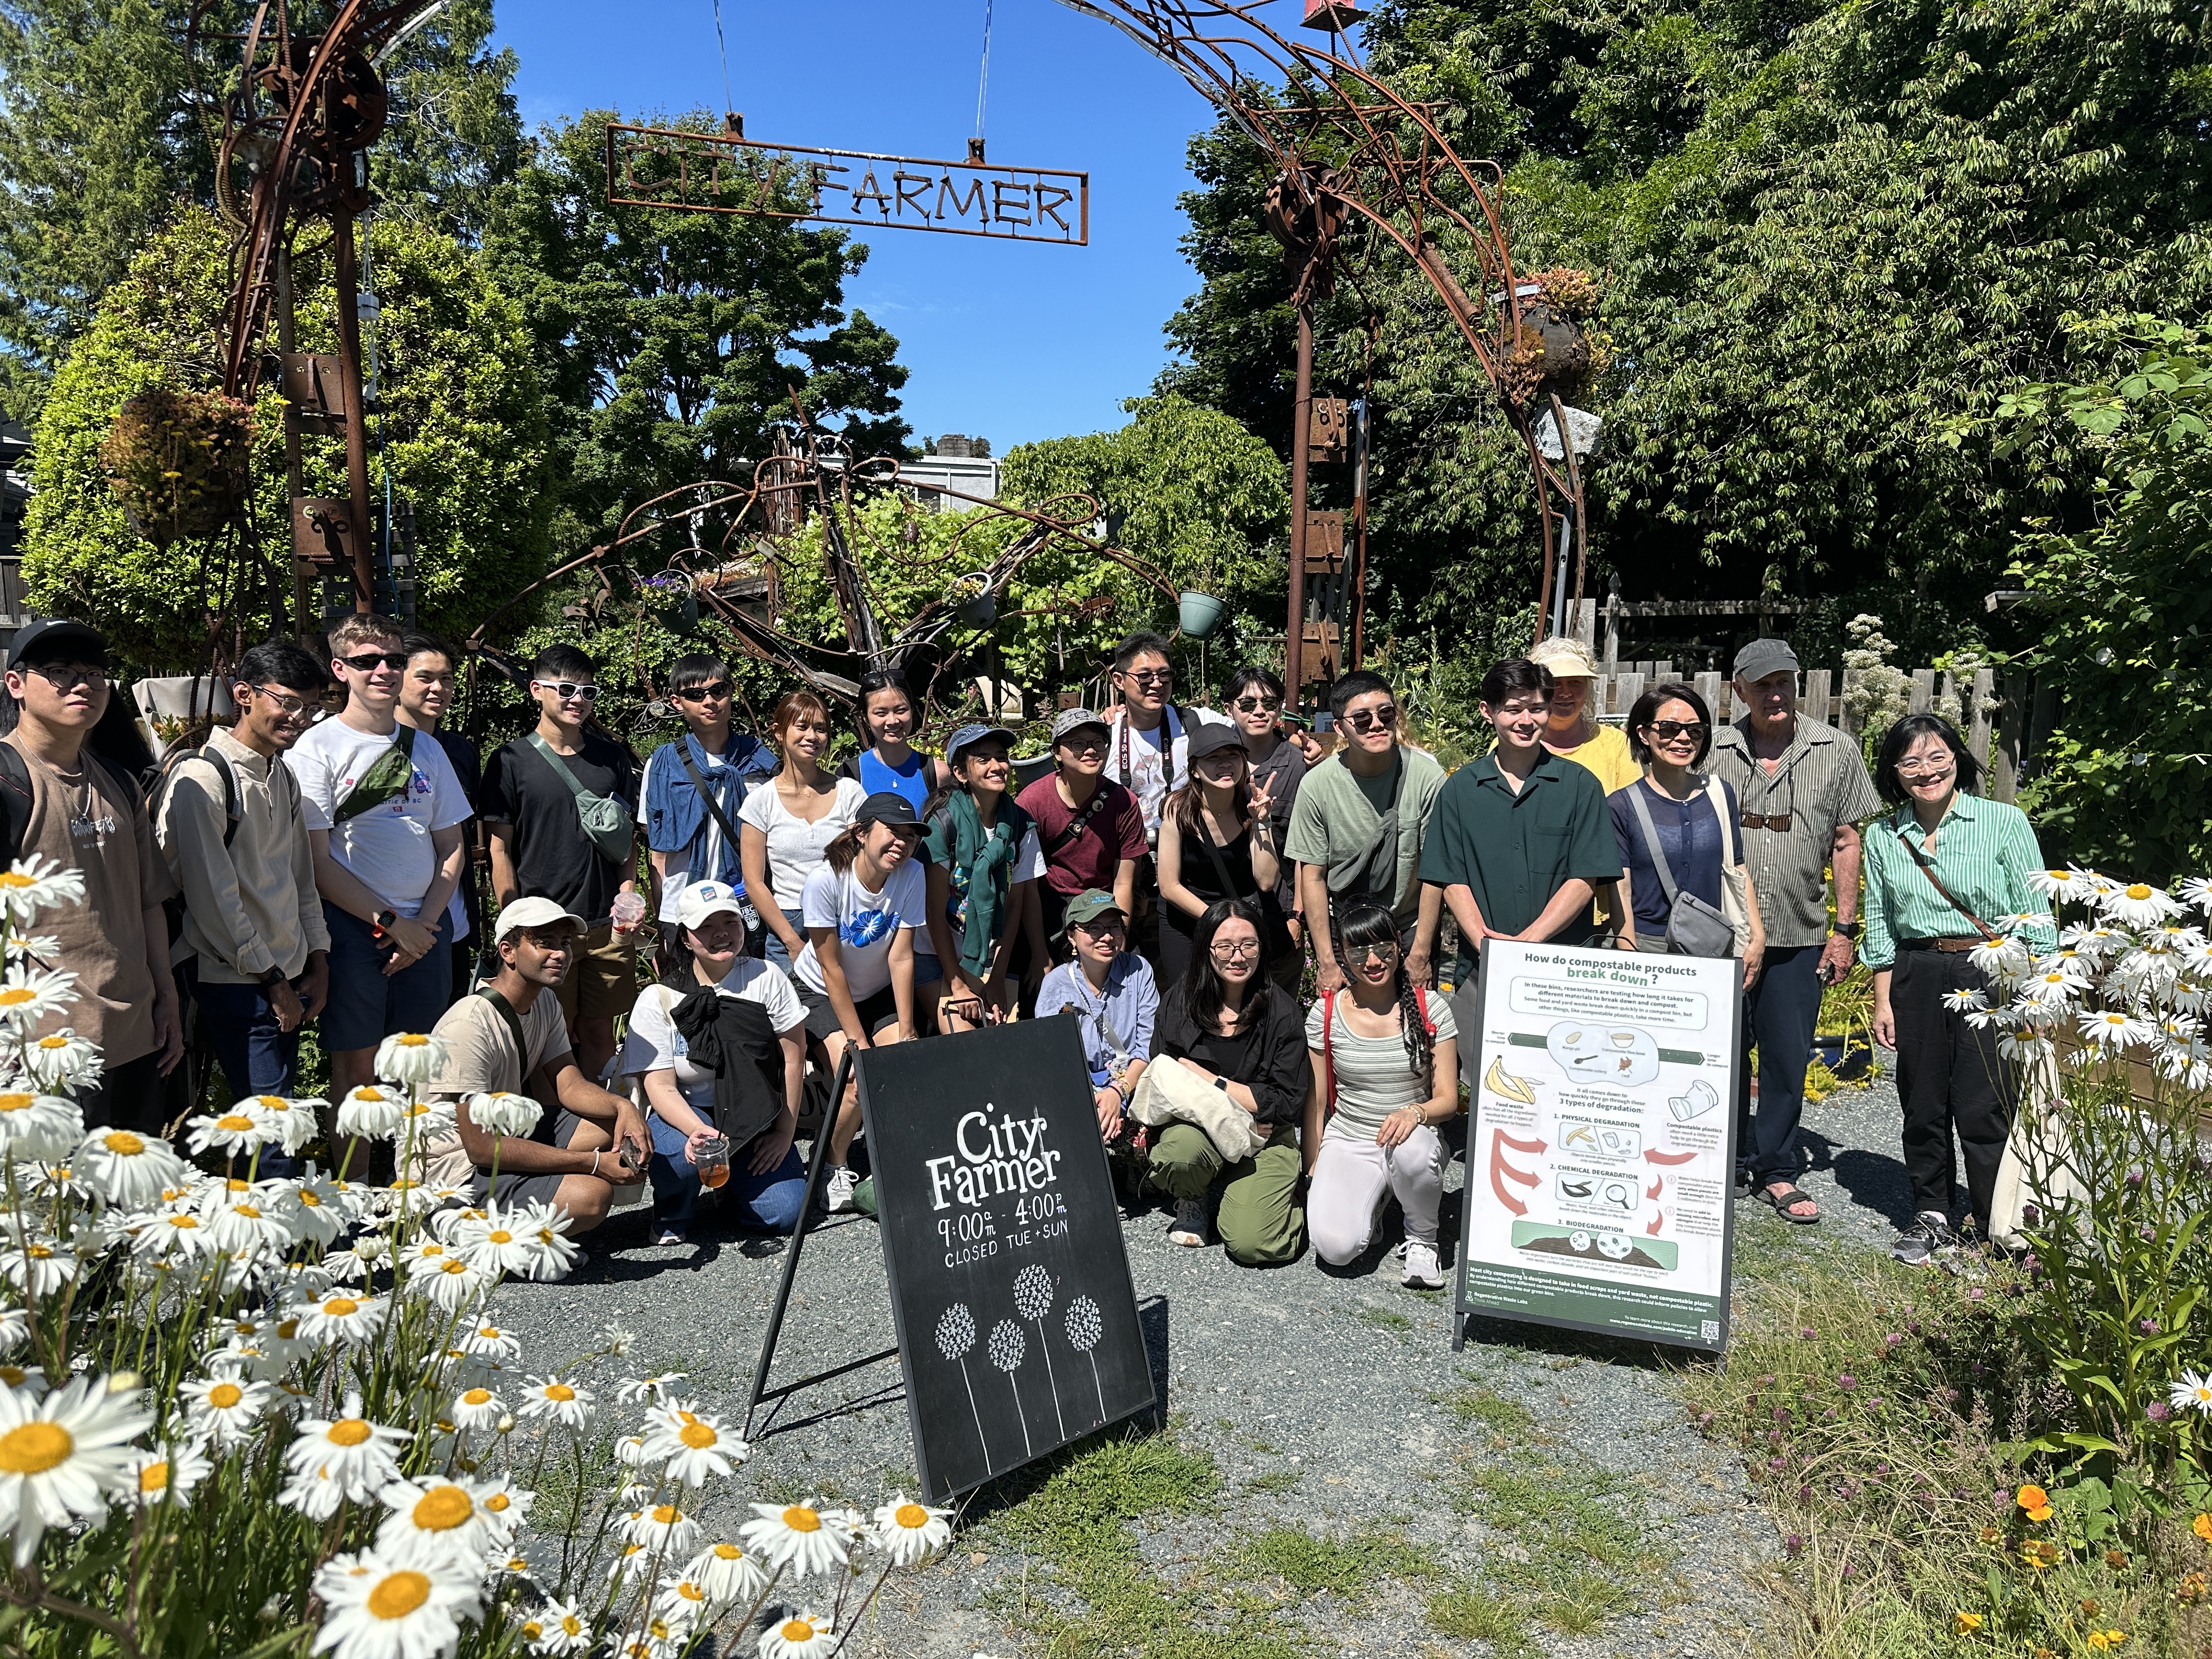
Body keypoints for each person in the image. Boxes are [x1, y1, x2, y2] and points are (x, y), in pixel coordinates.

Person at [1701, 637, 1882, 1224]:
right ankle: (1722, 1158)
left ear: (1797, 684)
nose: (1774, 693)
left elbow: (1846, 840)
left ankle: (1775, 1167)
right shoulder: (1714, 751)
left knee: (1785, 1056)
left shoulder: (1836, 750)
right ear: (1740, 690)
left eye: (1783, 681)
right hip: (1724, 934)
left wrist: (1845, 930)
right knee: (1721, 1052)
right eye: (1761, 684)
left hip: (1800, 929)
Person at [1863, 714, 2052, 1265]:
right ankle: (1933, 1213)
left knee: (1984, 1103)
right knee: (1921, 1102)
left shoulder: (2003, 822)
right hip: (1917, 970)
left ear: (1957, 760)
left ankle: (1999, 1220)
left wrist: (2035, 993)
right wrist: (1882, 996)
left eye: (1938, 757)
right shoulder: (1883, 833)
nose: (1927, 771)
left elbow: (2035, 914)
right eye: (1912, 762)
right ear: (1895, 773)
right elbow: (1879, 920)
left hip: (1990, 968)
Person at [0, 619, 183, 1130]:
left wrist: (166, 998)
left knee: (136, 1195)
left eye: (95, 673)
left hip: (137, 1033)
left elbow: (149, 901)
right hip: (44, 1046)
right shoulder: (8, 783)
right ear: (16, 684)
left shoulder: (122, 783)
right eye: (58, 672)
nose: (82, 684)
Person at [285, 612, 470, 1104]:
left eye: (393, 659)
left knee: (421, 1074)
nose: (384, 671)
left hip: (426, 933)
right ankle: (356, 1182)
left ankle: (415, 1181)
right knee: (359, 1075)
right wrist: (392, 924)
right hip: (353, 932)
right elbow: (315, 860)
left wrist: (424, 926)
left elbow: (452, 845)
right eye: (368, 661)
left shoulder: (427, 750)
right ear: (340, 669)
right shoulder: (315, 748)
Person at [154, 638, 330, 1120]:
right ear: (244, 694)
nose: (300, 717)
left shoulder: (282, 774)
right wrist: (272, 980)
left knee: (275, 1122)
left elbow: (301, 879)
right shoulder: (204, 778)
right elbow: (214, 899)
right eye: (288, 702)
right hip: (231, 976)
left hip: (285, 974)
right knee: (269, 1131)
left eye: (310, 707)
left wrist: (318, 958)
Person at [422, 897, 650, 1233]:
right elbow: (481, 1148)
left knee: (610, 1123)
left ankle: (524, 1216)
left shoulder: (544, 1001)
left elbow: (569, 1084)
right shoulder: (468, 1025)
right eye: (545, 943)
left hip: (507, 1130)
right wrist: (593, 1164)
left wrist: (624, 1107)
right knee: (592, 1196)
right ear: (507, 951)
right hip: (454, 1172)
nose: (560, 953)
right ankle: (464, 1239)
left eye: (565, 942)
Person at [481, 645, 642, 1085]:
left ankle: (598, 1128)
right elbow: (499, 850)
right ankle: (552, 1136)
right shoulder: (509, 761)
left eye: (588, 692)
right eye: (566, 689)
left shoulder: (611, 758)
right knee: (548, 1037)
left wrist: (627, 891)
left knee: (599, 1033)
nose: (578, 700)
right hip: (545, 928)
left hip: (606, 924)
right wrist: (512, 918)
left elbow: (625, 837)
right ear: (536, 690)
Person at [619, 878, 808, 1245]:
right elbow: (659, 1084)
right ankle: (673, 1212)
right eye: (706, 926)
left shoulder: (767, 977)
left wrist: (785, 1132)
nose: (721, 934)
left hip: (753, 1111)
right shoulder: (659, 997)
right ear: (686, 938)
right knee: (677, 1153)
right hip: (688, 1110)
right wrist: (696, 1132)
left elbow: (793, 1058)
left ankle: (733, 1189)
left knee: (785, 1214)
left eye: (730, 923)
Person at [1421, 658, 1621, 993]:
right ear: (1488, 712)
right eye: (1514, 709)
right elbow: (1450, 877)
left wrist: (1529, 942)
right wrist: (1487, 944)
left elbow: (1586, 877)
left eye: (1538, 709)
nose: (1526, 721)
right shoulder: (1460, 789)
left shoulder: (1580, 786)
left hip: (1565, 970)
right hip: (1480, 968)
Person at [1304, 899, 1462, 1288]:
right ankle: (1375, 1205)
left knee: (1414, 1153)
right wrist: (1312, 1169)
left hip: (1411, 1136)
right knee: (1335, 1250)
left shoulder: (1430, 1009)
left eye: (1383, 948)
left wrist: (1415, 1113)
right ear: (1342, 954)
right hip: (1351, 1136)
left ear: (1399, 946)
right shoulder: (1325, 1014)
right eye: (1358, 950)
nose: (1372, 961)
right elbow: (1318, 1103)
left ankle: (1423, 1238)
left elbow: (1449, 1098)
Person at [1144, 899, 1311, 1261]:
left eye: (1248, 944)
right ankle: (1195, 1194)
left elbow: (1287, 1103)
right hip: (1201, 1125)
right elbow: (1164, 1068)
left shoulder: (1283, 1013)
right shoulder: (1181, 1001)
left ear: (1261, 948)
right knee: (1178, 1156)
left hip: (1265, 1133)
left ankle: (1284, 1199)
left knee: (1252, 1244)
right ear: (1207, 949)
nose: (1238, 957)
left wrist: (1212, 1081)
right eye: (1225, 946)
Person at [792, 792, 929, 1212]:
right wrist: (857, 1040)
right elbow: (829, 967)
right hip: (819, 988)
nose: (901, 844)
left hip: (875, 987)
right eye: (892, 832)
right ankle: (831, 1164)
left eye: (910, 836)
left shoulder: (912, 874)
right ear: (861, 833)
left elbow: (902, 955)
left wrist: (906, 1030)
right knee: (856, 1078)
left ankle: (886, 1156)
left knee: (904, 1063)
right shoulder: (826, 880)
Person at [1285, 670, 1445, 994]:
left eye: (1386, 714)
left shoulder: (1428, 777)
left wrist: (1421, 953)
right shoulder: (1317, 786)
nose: (1376, 724)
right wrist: (1327, 963)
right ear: (1340, 727)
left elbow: (1435, 873)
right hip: (1346, 928)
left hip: (1408, 927)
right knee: (1347, 1032)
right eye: (1361, 718)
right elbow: (1313, 877)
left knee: (1416, 1030)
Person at [1610, 682, 1766, 977]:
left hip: (1710, 946)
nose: (1683, 739)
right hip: (1647, 946)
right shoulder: (1620, 806)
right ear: (1644, 734)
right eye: (1669, 728)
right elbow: (1622, 887)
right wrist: (1627, 953)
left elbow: (1738, 868)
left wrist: (1757, 936)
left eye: (1694, 731)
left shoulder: (1720, 794)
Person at [641, 653, 780, 963]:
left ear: (730, 693)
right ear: (678, 702)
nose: (710, 701)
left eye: (718, 691)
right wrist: (665, 926)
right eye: (695, 695)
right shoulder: (662, 764)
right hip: (684, 905)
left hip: (746, 900)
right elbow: (658, 853)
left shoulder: (760, 760)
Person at [921, 724, 1043, 1030]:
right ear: (961, 773)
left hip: (991, 957)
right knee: (967, 1044)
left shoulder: (1021, 826)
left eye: (1001, 757)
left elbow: (1015, 905)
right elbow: (934, 913)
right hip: (937, 956)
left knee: (1003, 1044)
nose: (996, 766)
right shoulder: (942, 825)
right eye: (983, 759)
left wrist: (998, 978)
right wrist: (958, 985)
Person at [740, 690, 864, 975]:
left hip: (842, 919)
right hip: (787, 923)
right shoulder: (761, 801)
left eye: (821, 729)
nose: (812, 736)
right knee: (793, 1016)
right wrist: (792, 941)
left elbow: (861, 863)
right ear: (779, 732)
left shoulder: (849, 793)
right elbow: (754, 883)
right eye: (803, 726)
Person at [1156, 720, 1288, 988]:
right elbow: (1169, 886)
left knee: (1239, 999)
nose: (1226, 764)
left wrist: (1262, 821)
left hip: (1238, 919)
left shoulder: (1250, 806)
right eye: (1213, 758)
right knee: (1186, 996)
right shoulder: (1178, 808)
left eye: (1233, 756)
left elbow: (1265, 881)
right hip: (1186, 918)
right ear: (1194, 770)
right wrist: (1217, 922)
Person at [1015, 707, 1145, 959]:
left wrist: (1120, 942)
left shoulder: (1123, 802)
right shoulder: (1032, 802)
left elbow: (1123, 881)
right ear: (1057, 752)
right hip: (1051, 906)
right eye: (1077, 743)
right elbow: (1026, 884)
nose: (1090, 750)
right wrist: (1040, 954)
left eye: (1099, 742)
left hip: (1104, 904)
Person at [394, 632, 483, 996]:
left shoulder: (459, 752)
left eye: (446, 679)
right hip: (389, 923)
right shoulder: (373, 746)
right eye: (425, 677)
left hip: (452, 923)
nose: (438, 688)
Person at [1035, 890, 1158, 1137]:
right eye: (1094, 929)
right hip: (1079, 1091)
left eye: (1115, 927)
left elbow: (1148, 1046)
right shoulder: (1055, 985)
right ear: (1071, 936)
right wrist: (1097, 1099)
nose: (1107, 937)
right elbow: (1055, 1060)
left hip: (1135, 1084)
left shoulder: (1139, 970)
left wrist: (1117, 1091)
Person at [1224, 665, 1308, 947]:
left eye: (1269, 703)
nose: (1259, 711)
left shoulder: (1298, 764)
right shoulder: (1216, 759)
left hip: (1278, 906)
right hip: (1223, 904)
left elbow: (1306, 848)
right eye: (1247, 704)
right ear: (1229, 709)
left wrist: (1298, 915)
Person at [1528, 636, 1640, 794]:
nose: (1566, 692)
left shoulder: (1617, 744)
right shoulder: (1512, 743)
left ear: (1587, 687)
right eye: (1555, 683)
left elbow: (1632, 811)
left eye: (1575, 682)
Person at [837, 668, 949, 815]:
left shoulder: (938, 773)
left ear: (912, 710)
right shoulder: (849, 775)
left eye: (901, 710)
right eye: (881, 713)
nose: (893, 721)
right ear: (865, 718)